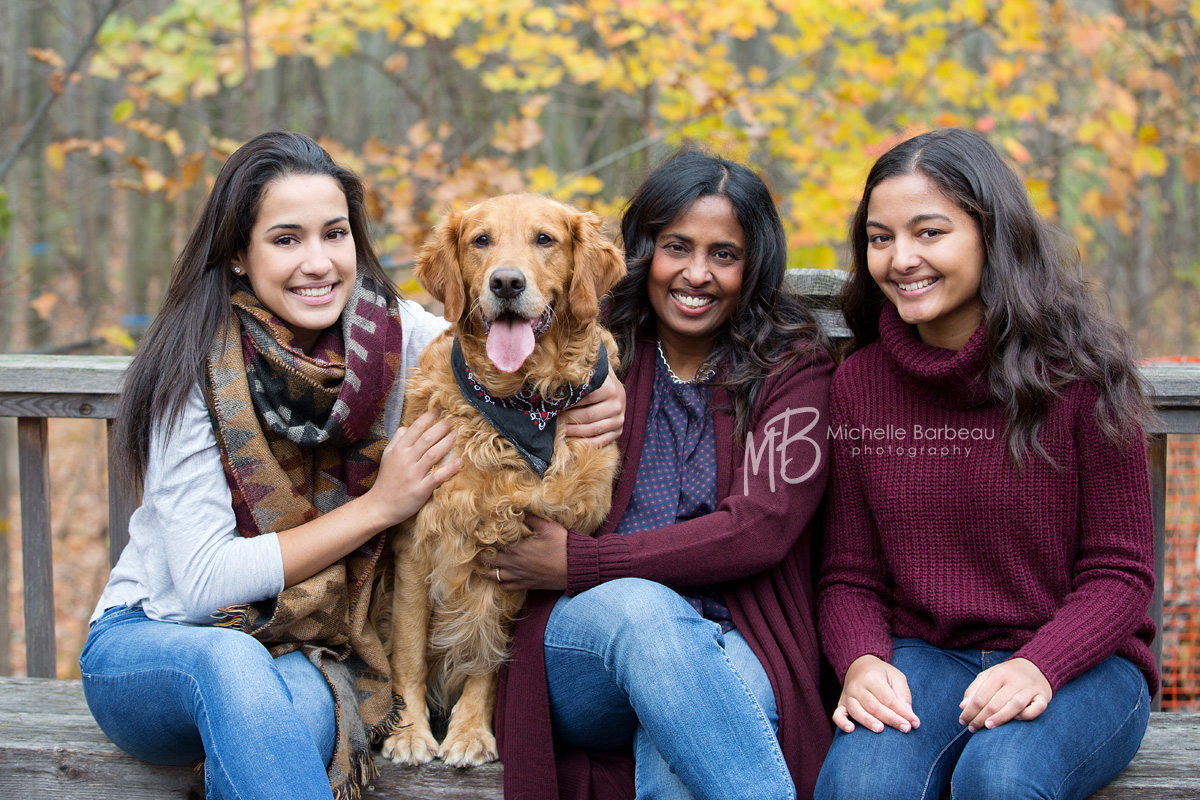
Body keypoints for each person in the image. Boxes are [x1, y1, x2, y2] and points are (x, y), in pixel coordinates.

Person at [79, 131, 624, 800]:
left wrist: (601, 389)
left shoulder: (399, 337)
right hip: (157, 643)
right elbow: (203, 585)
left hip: (304, 650)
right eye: (286, 239)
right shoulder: (191, 369)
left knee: (296, 720)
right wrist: (378, 507)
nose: (318, 262)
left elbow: (515, 346)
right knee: (231, 664)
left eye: (334, 234)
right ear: (239, 257)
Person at [815, 128, 1157, 800]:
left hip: (1085, 664)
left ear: (989, 235)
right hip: (927, 655)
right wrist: (858, 661)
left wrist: (1042, 665)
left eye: (930, 232)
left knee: (999, 777)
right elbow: (848, 574)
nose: (901, 258)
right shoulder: (859, 386)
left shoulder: (1081, 377)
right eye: (880, 238)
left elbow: (1120, 573)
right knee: (862, 786)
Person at [488, 149, 836, 800]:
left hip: (736, 635)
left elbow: (757, 530)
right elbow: (476, 367)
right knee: (648, 614)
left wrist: (582, 563)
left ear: (753, 264)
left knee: (688, 720)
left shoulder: (793, 367)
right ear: (646, 248)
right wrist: (585, 385)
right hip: (579, 643)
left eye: (724, 254)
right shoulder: (588, 345)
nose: (696, 274)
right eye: (678, 247)